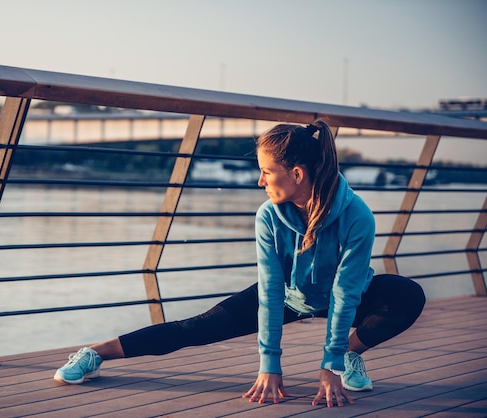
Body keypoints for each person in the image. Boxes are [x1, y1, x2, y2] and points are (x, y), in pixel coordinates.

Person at [53, 120, 426, 408]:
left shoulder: (357, 215)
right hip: (287, 296)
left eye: (266, 171)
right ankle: (96, 353)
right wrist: (270, 365)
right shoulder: (269, 216)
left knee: (407, 295)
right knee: (194, 328)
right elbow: (270, 292)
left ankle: (351, 352)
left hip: (348, 295)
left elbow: (346, 293)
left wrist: (331, 367)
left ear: (296, 174)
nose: (259, 180)